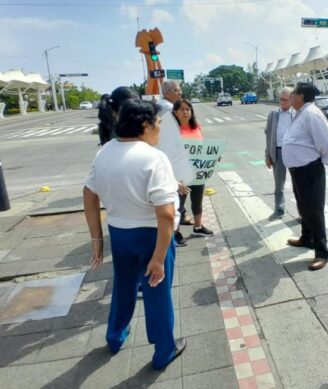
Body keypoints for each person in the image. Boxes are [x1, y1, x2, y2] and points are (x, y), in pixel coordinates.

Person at [83, 99, 186, 370]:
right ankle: (164, 349)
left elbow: (89, 194)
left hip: (119, 233)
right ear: (145, 125)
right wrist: (159, 256)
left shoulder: (105, 151)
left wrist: (96, 239)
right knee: (157, 291)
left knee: (124, 285)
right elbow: (165, 214)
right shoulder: (154, 157)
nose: (160, 131)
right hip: (153, 235)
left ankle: (115, 336)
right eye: (159, 124)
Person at [283, 82, 328, 271]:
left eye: (293, 93)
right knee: (303, 206)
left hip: (310, 169)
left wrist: (321, 162)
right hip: (298, 170)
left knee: (314, 210)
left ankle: (322, 252)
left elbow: (325, 144)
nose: (289, 96)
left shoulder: (312, 114)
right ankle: (306, 238)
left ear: (301, 96)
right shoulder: (300, 113)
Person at [156, 80, 194, 247]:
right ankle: (174, 234)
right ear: (167, 92)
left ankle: (174, 228)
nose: (180, 94)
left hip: (167, 161)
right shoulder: (168, 109)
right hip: (174, 163)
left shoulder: (159, 105)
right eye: (177, 91)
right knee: (176, 199)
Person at [172, 98, 214, 237]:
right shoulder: (173, 130)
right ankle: (175, 232)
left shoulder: (196, 126)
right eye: (182, 109)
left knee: (197, 200)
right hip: (181, 173)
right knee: (179, 203)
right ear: (175, 112)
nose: (185, 112)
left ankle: (198, 226)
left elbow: (202, 147)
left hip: (197, 170)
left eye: (188, 109)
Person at [264, 87, 295, 221]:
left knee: (299, 184)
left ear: (291, 100)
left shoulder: (297, 114)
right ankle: (279, 210)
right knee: (279, 185)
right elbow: (268, 134)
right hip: (277, 151)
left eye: (285, 99)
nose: (281, 102)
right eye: (280, 99)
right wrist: (267, 155)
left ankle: (302, 213)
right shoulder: (273, 114)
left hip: (294, 153)